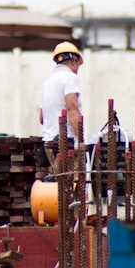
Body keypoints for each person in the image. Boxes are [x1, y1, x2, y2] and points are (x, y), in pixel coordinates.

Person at [39, 41, 84, 175]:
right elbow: (72, 111)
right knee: (73, 185)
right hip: (66, 143)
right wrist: (81, 141)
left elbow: (42, 118)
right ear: (74, 62)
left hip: (49, 143)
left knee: (57, 184)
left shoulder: (47, 82)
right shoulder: (70, 78)